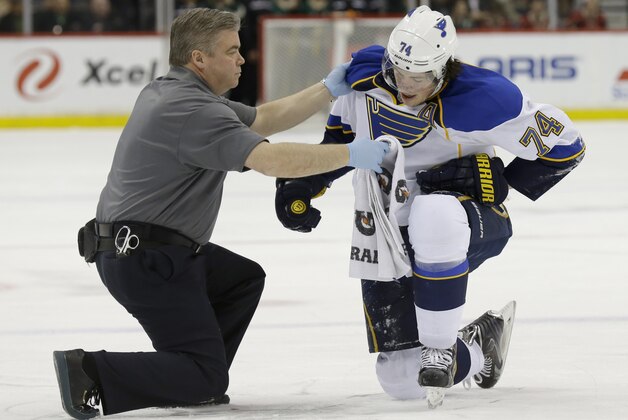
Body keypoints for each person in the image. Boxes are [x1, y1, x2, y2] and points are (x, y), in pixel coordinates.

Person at [52, 7, 389, 419]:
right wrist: (354, 154)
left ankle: (192, 372)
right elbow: (271, 160)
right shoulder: (197, 112)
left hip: (139, 251)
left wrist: (328, 89)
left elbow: (263, 119)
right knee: (204, 376)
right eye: (231, 51)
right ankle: (92, 371)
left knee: (241, 279)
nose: (241, 59)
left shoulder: (169, 92)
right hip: (148, 260)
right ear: (199, 59)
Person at [275, 5, 584, 408]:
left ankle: (439, 348)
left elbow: (567, 145)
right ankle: (480, 348)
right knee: (401, 380)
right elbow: (339, 145)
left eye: (418, 76)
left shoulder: (488, 98)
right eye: (398, 69)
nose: (404, 83)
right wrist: (304, 184)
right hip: (387, 232)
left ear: (443, 68)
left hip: (466, 220)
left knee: (433, 213)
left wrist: (498, 182)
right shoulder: (363, 77)